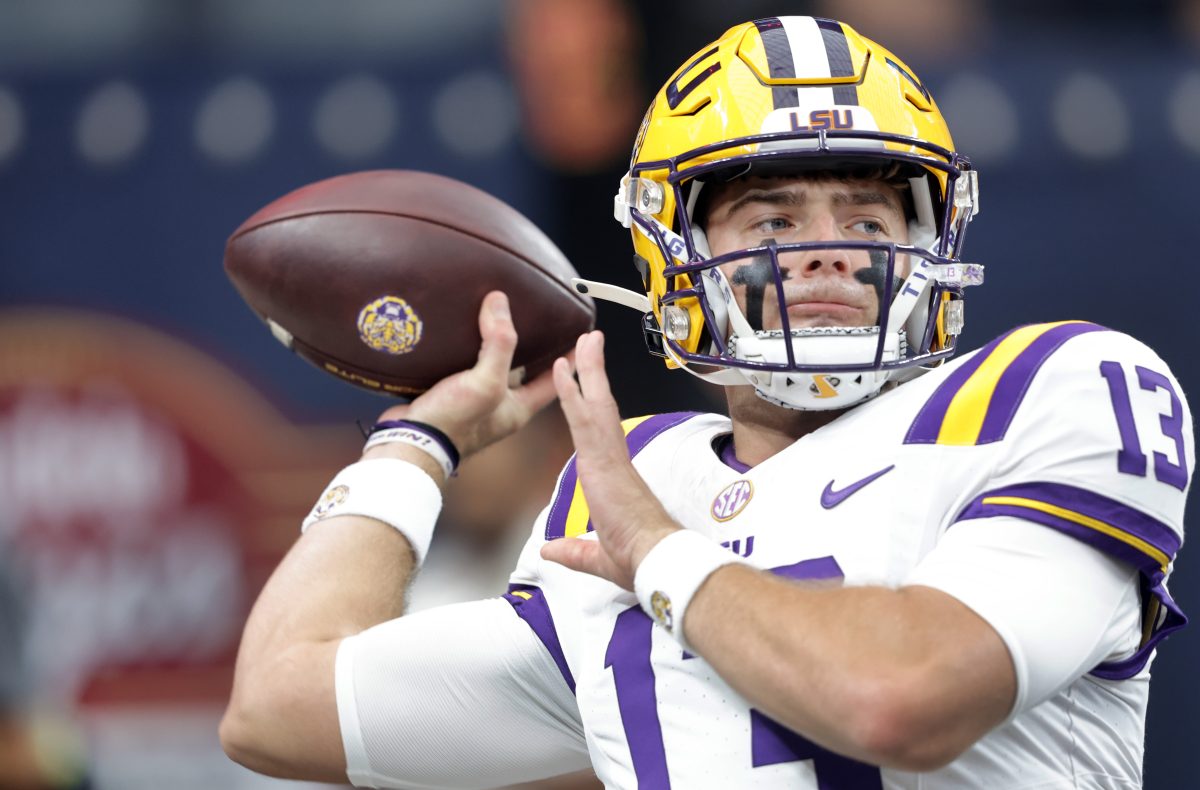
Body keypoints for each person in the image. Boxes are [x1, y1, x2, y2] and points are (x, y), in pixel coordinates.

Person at [220, 16, 1192, 789]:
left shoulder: (1051, 392)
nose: (829, 248)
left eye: (867, 215)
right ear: (670, 255)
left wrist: (661, 555)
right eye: (772, 218)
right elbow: (275, 707)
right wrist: (418, 443)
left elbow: (902, 698)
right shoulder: (635, 489)